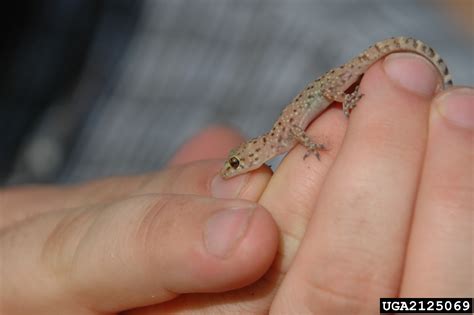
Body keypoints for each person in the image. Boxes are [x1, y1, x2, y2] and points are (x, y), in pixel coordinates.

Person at [1, 54, 472, 314]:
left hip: (339, 81)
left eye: (236, 163)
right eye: (234, 164)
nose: (234, 169)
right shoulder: (272, 143)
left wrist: (336, 116)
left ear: (250, 154)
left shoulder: (283, 133)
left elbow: (306, 129)